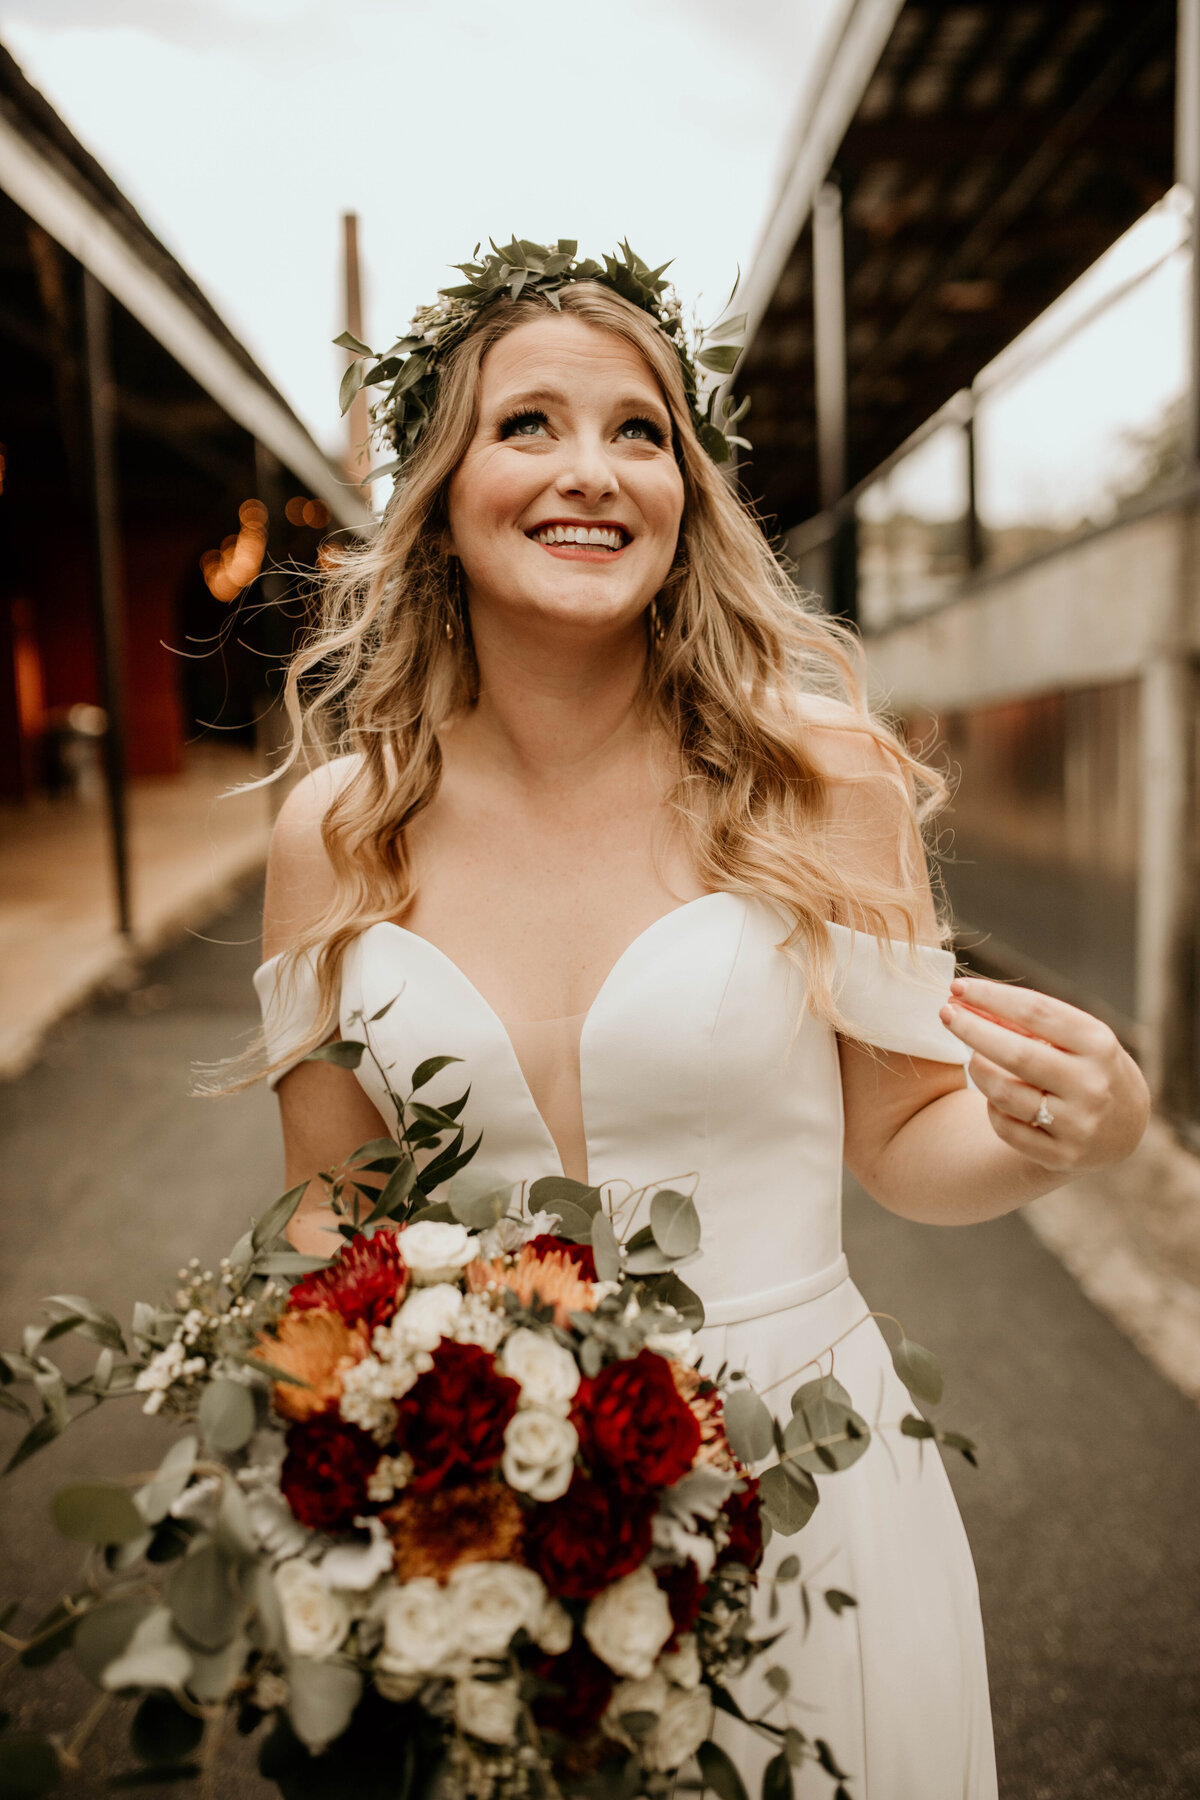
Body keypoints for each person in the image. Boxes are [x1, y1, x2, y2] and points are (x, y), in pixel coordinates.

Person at [252, 242, 1149, 1798]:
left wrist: (1077, 1133)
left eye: (640, 430)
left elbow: (907, 1141)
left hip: (809, 1493)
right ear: (440, 491)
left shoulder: (822, 776)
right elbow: (334, 1229)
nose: (589, 471)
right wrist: (358, 1486)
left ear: (690, 491)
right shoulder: (335, 831)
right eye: (526, 423)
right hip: (485, 1524)